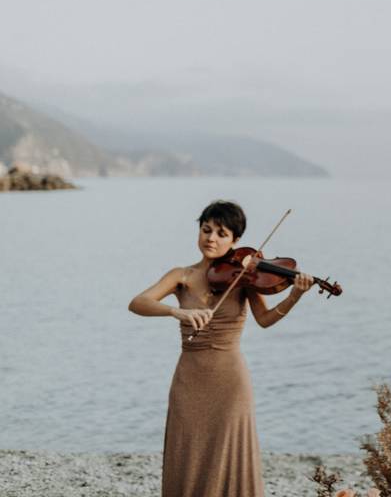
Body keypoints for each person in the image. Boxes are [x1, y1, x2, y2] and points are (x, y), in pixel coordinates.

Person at [128, 200, 315, 497]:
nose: (211, 238)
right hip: (189, 377)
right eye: (206, 230)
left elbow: (265, 320)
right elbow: (138, 303)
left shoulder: (245, 277)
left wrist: (295, 296)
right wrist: (177, 312)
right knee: (187, 450)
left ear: (235, 241)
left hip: (230, 380)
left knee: (230, 455)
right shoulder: (182, 275)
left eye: (221, 233)